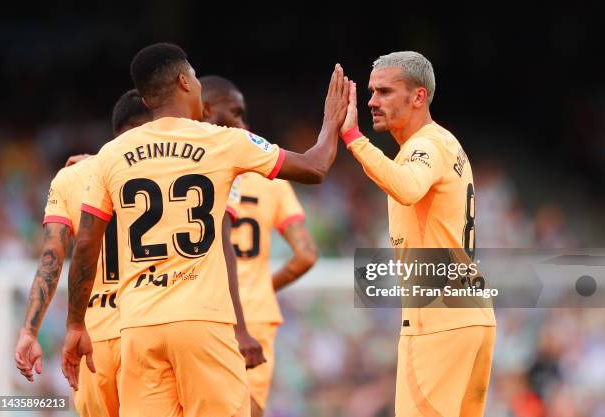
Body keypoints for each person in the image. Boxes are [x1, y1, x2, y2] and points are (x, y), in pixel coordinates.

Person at [61, 42, 350, 417]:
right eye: (196, 77)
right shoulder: (223, 142)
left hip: (138, 326)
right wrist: (331, 121)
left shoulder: (110, 155)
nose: (198, 85)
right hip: (203, 320)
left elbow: (85, 242)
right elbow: (314, 168)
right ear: (184, 81)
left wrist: (74, 323)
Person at [340, 51, 496, 417]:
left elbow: (408, 187)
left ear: (418, 97)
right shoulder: (445, 142)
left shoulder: (424, 146)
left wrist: (352, 137)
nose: (372, 102)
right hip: (472, 316)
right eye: (371, 92)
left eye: (384, 92)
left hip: (437, 321)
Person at [14, 90, 152, 417]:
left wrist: (29, 331)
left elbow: (51, 257)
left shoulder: (72, 177)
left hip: (96, 339)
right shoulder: (172, 171)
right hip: (151, 328)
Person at [200, 75, 318, 417]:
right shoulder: (271, 180)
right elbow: (306, 254)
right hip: (253, 312)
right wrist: (263, 288)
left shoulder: (188, 171)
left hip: (199, 307)